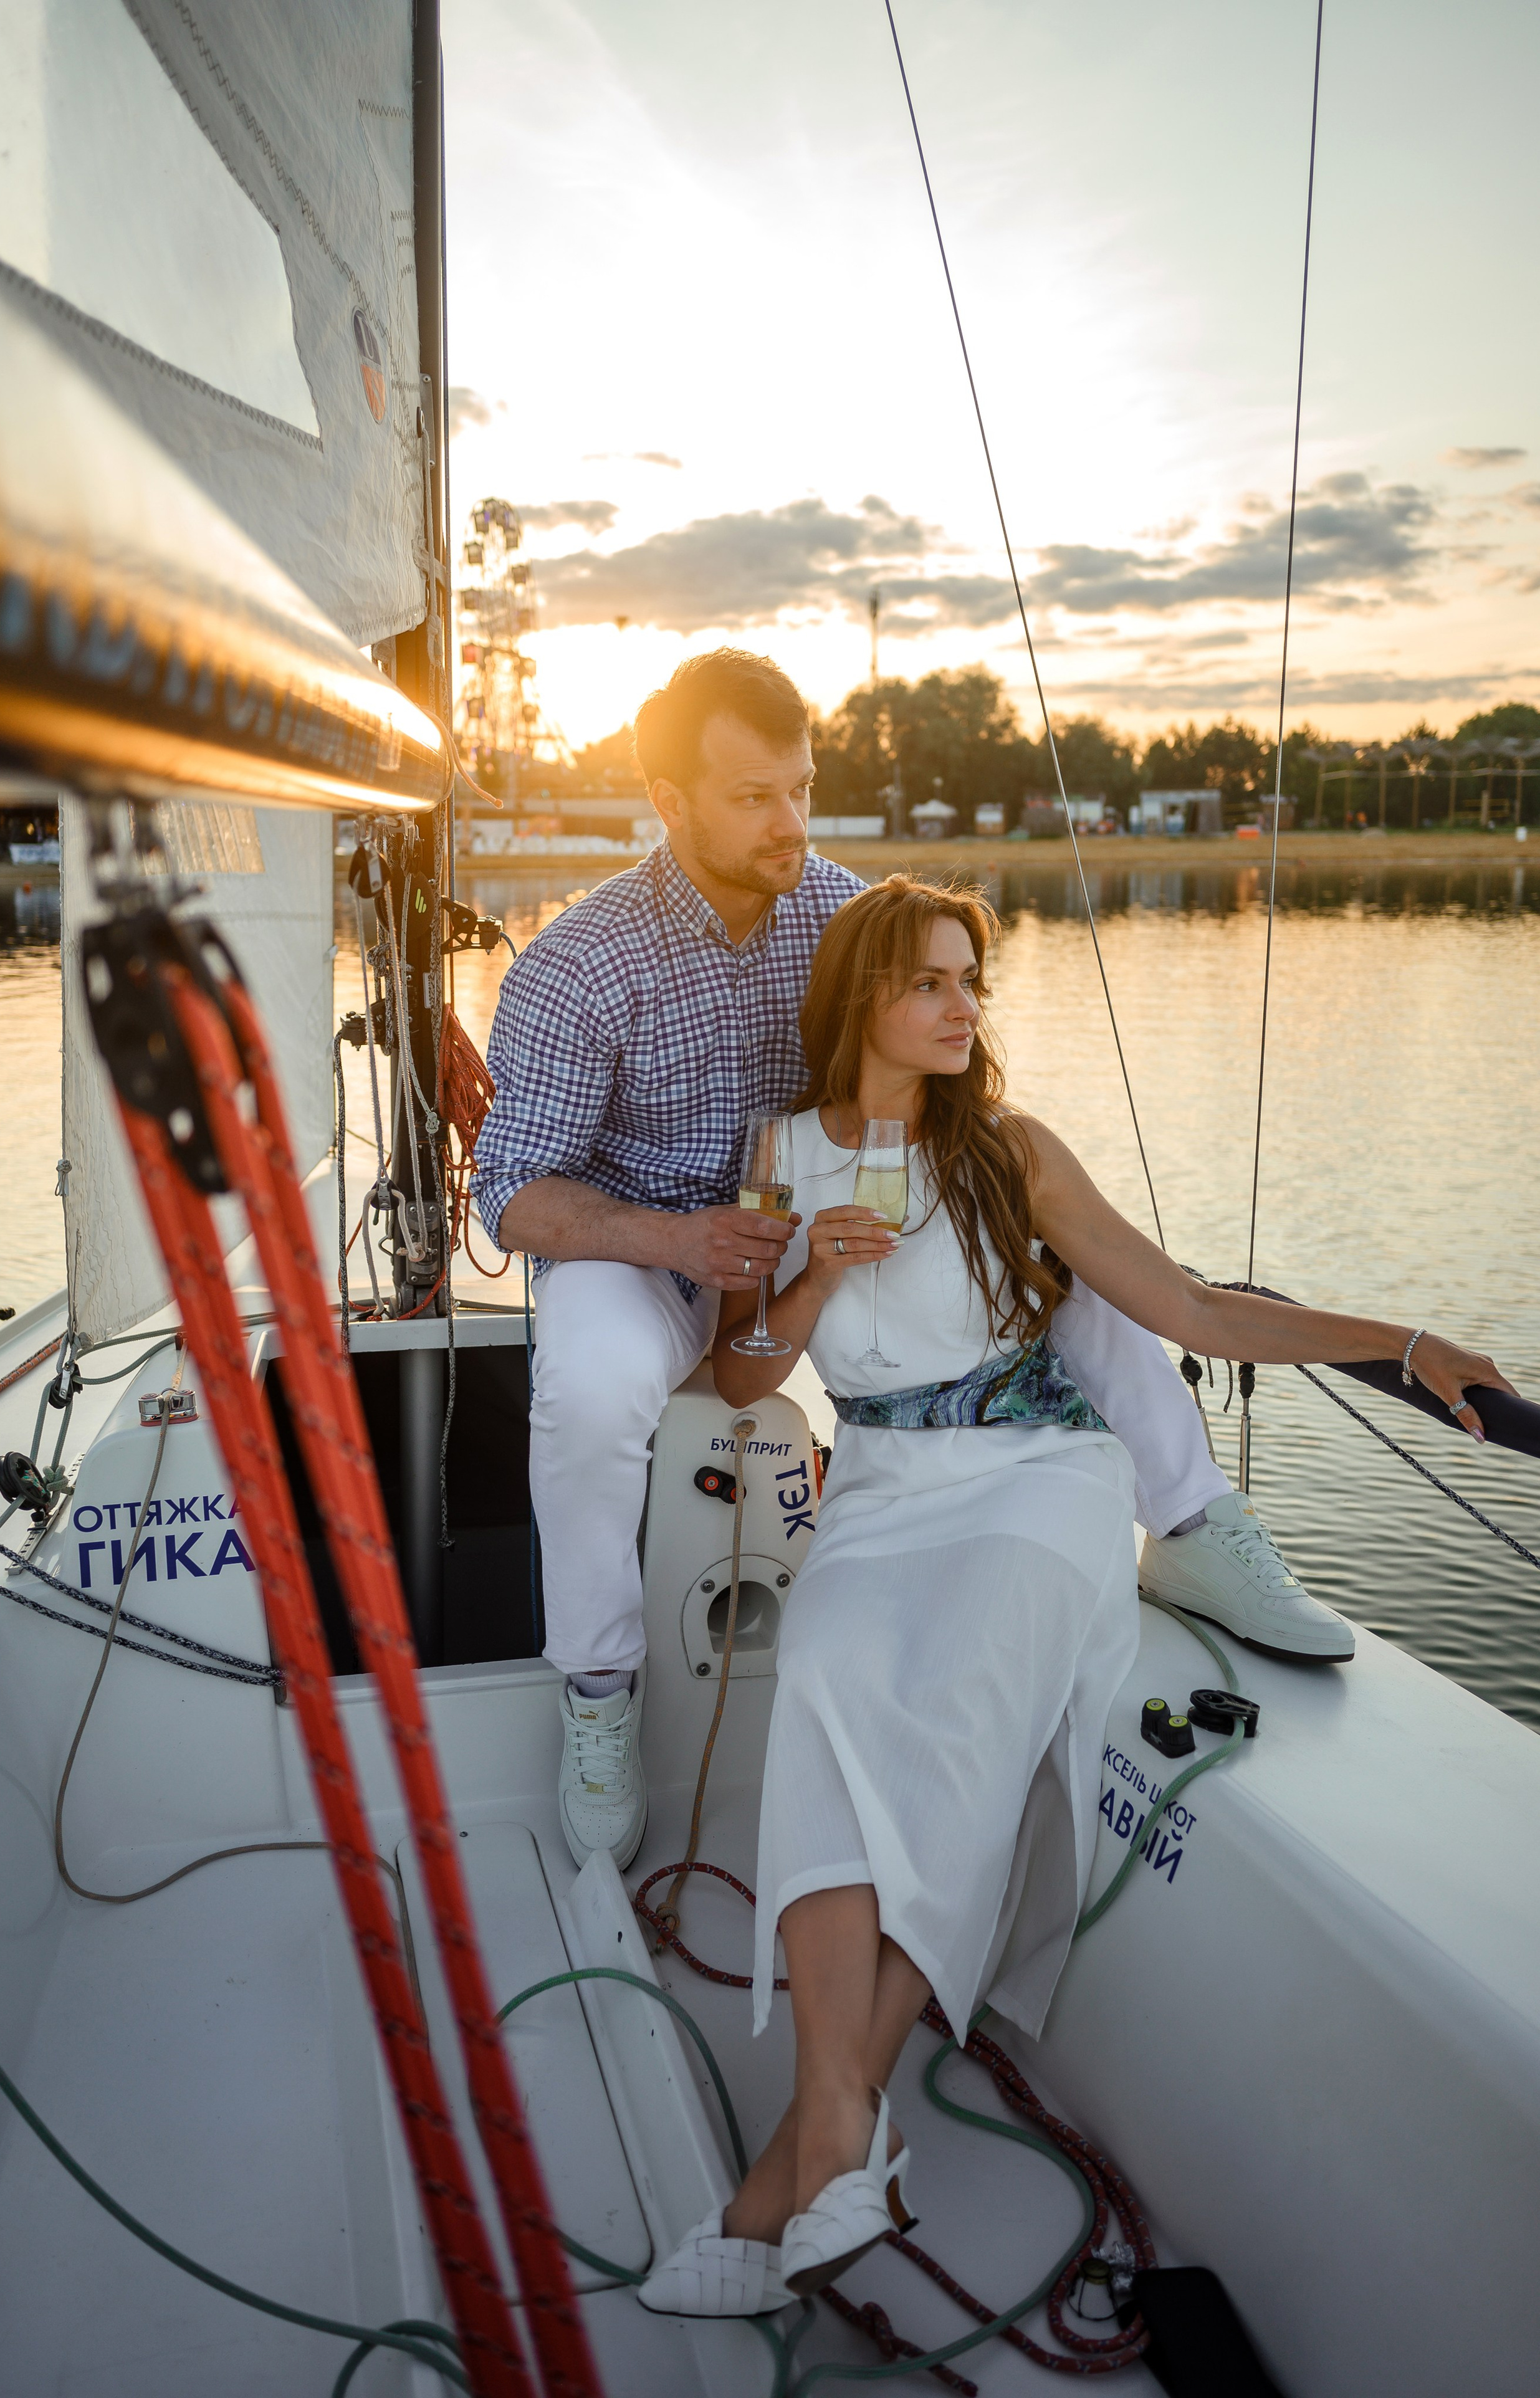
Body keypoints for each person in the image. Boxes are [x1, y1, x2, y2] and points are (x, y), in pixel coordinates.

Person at [636, 876, 1512, 2314]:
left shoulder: (1008, 1154)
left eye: (969, 979)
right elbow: (736, 1377)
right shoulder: (778, 1153)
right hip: (876, 1492)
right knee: (828, 1689)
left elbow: (1195, 1312)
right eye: (929, 980)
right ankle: (840, 2138)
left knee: (957, 1734)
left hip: (1033, 1482)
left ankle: (803, 2154)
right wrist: (802, 1287)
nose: (959, 1004)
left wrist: (1403, 1339)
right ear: (863, 995)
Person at [475, 647, 1348, 1876]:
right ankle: (601, 1690)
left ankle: (1193, 1524)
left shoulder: (846, 909)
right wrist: (674, 1238)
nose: (790, 824)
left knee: (1048, 1261)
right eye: (751, 797)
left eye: (800, 787)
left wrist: (998, 1187)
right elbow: (511, 1192)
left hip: (806, 1210)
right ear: (666, 802)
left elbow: (933, 1056)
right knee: (591, 1380)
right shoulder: (576, 963)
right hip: (641, 1242)